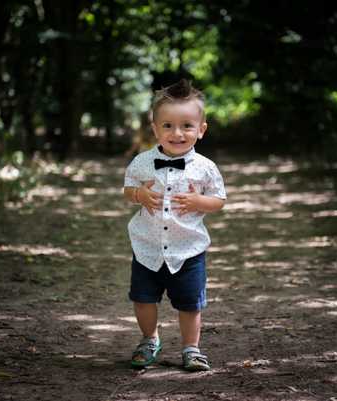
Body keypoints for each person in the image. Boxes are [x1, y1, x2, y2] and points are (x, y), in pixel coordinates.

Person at [123, 79, 226, 371]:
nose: (177, 133)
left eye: (186, 126)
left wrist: (198, 201)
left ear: (201, 129)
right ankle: (149, 339)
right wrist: (139, 195)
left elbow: (219, 200)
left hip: (188, 250)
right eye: (167, 126)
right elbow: (127, 190)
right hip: (147, 247)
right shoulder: (142, 162)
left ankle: (191, 348)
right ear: (155, 129)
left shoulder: (206, 168)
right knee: (143, 299)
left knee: (190, 303)